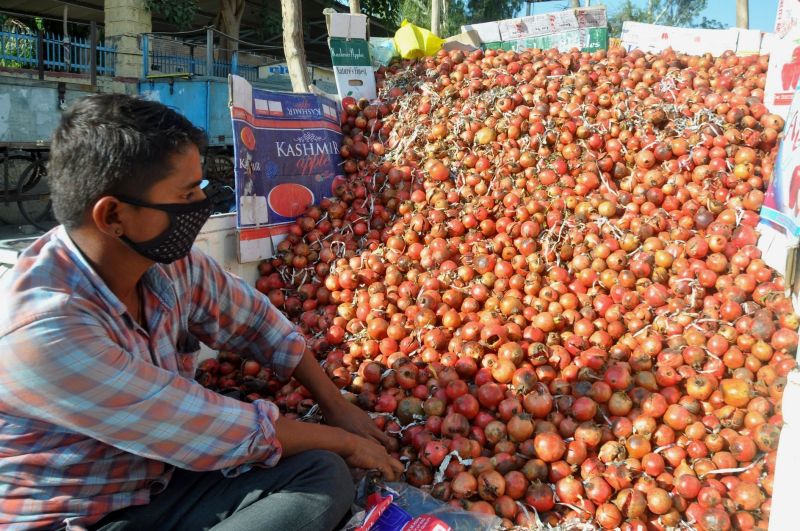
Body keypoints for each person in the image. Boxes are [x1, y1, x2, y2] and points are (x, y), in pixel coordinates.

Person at [0, 94, 403, 531]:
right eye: (186, 193)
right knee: (321, 472)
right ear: (113, 215)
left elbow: (257, 323)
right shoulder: (45, 331)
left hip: (159, 480)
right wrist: (345, 442)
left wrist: (335, 404)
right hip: (82, 517)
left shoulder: (164, 261)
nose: (201, 204)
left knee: (320, 474)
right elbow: (205, 428)